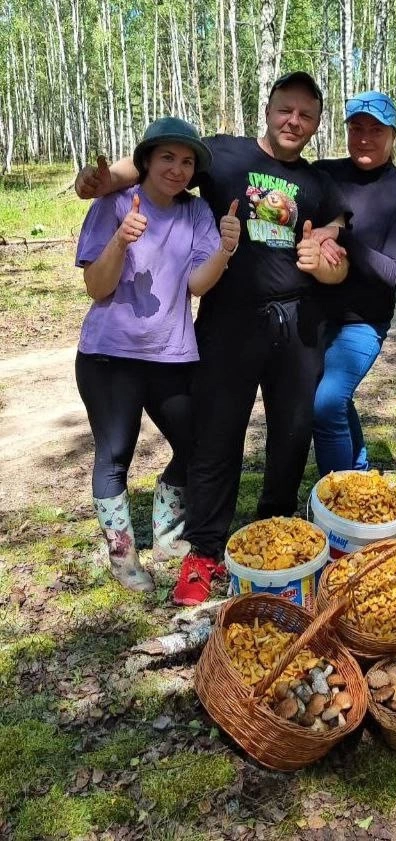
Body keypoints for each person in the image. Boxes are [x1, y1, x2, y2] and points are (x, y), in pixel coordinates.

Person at [75, 72, 348, 605]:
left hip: (298, 324)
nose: (294, 121)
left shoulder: (318, 184)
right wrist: (104, 182)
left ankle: (277, 533)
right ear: (267, 109)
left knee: (292, 434)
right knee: (216, 436)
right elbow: (157, 162)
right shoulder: (222, 154)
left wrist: (328, 249)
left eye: (306, 115)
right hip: (229, 321)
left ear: (317, 124)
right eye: (285, 109)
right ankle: (203, 550)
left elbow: (336, 236)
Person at [75, 117, 240, 593]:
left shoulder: (196, 213)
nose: (177, 169)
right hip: (109, 355)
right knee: (115, 455)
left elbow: (196, 284)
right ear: (146, 160)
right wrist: (120, 240)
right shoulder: (114, 204)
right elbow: (96, 287)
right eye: (167, 157)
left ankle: (168, 535)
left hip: (171, 355)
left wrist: (225, 250)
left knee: (194, 445)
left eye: (187, 161)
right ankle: (123, 556)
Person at [310, 91, 396, 475]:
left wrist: (341, 236)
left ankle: (337, 499)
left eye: (376, 130)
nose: (364, 138)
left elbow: (393, 272)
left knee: (326, 404)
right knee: (335, 400)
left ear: (393, 135)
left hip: (363, 322)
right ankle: (359, 474)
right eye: (356, 128)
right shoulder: (323, 173)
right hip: (312, 315)